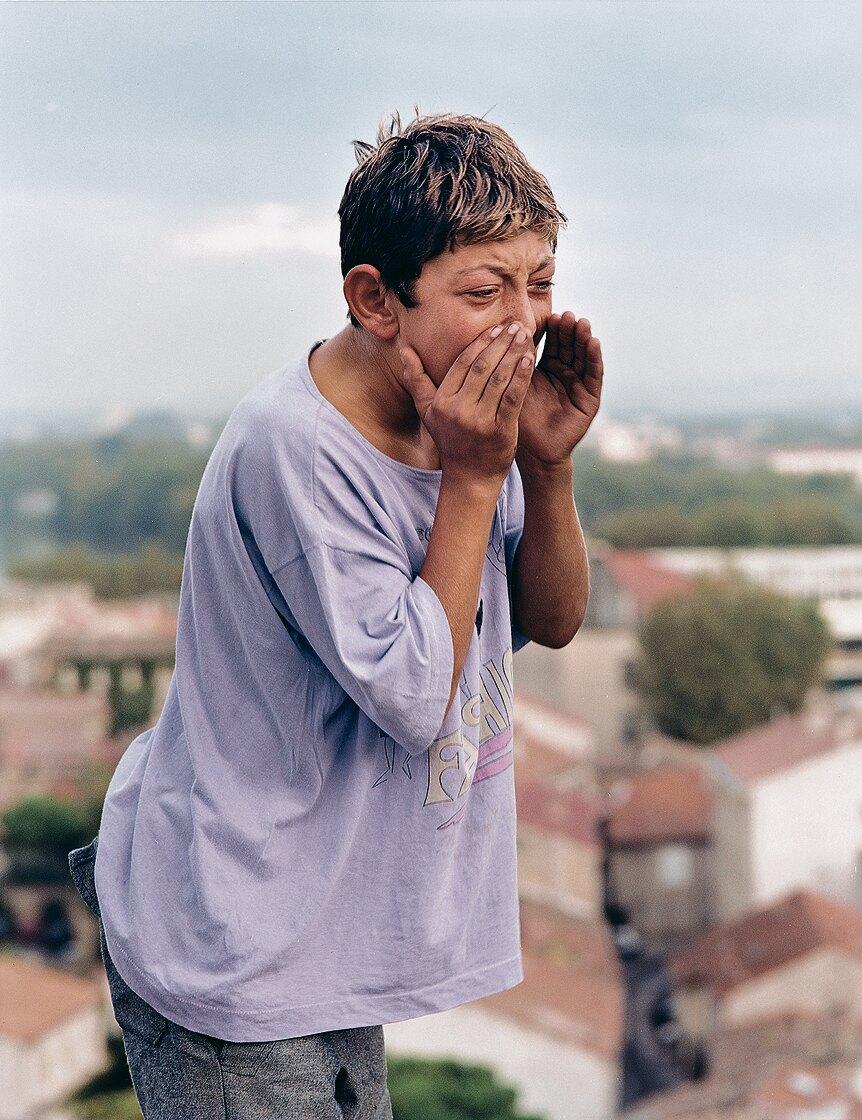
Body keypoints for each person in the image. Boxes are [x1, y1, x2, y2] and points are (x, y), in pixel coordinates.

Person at [68, 109, 602, 1118]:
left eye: (538, 284)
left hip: (320, 925)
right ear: (375, 299)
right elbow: (413, 696)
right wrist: (476, 481)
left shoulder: (466, 425)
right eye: (483, 290)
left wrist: (545, 463)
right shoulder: (296, 448)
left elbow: (553, 616)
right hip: (237, 943)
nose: (522, 323)